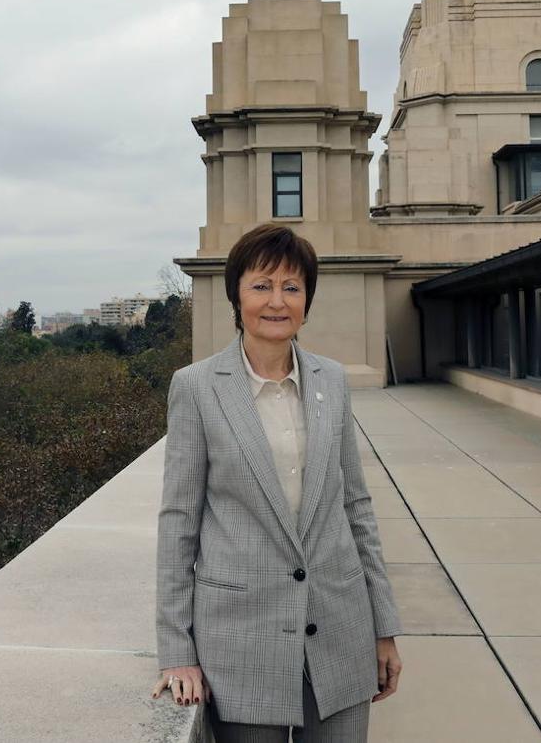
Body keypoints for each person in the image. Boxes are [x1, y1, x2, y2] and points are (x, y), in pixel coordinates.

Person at [152, 223, 402, 741]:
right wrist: (177, 651)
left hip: (340, 630)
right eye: (261, 285)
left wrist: (383, 627)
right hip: (242, 641)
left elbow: (355, 506)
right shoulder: (197, 388)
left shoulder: (331, 381)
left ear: (307, 299)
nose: (277, 301)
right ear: (236, 295)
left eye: (292, 287)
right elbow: (179, 522)